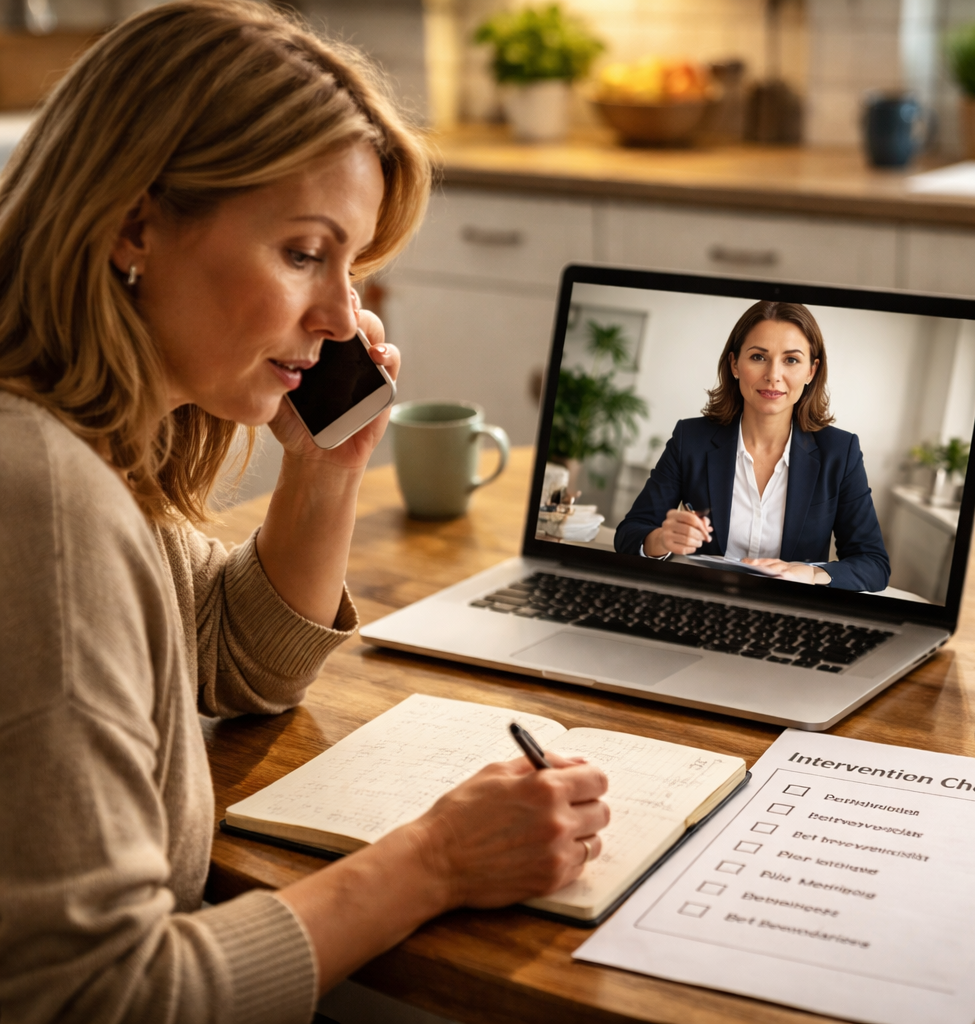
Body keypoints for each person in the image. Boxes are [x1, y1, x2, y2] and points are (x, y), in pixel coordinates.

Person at [0, 3, 610, 1022]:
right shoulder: (41, 499)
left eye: (352, 265)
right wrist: (437, 859)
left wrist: (327, 469)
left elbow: (236, 657)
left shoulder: (83, 452)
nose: (339, 316)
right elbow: (102, 997)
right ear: (134, 223)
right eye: (302, 253)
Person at [614, 300, 890, 592]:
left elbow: (872, 563)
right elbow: (630, 533)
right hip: (703, 600)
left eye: (791, 360)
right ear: (734, 364)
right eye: (758, 357)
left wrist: (809, 575)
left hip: (791, 611)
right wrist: (661, 540)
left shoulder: (840, 452)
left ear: (811, 370)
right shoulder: (690, 439)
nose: (773, 375)